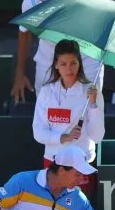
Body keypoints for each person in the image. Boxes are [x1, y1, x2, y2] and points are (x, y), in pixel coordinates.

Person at [32, 40, 104, 196]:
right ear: (56, 64)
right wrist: (63, 137)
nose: (69, 69)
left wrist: (93, 105)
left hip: (81, 165)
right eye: (63, 64)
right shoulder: (46, 92)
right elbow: (38, 132)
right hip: (52, 162)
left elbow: (97, 136)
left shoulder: (91, 92)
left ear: (80, 64)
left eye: (73, 63)